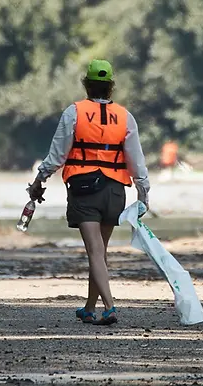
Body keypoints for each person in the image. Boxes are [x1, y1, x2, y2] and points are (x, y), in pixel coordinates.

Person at [28, 60, 149, 327]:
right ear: (111, 87)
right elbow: (137, 161)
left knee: (95, 252)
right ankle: (88, 308)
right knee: (100, 251)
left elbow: (57, 154)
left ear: (86, 84)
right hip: (115, 191)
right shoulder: (125, 116)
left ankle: (109, 307)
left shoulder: (74, 112)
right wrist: (144, 193)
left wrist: (39, 180)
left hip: (85, 190)